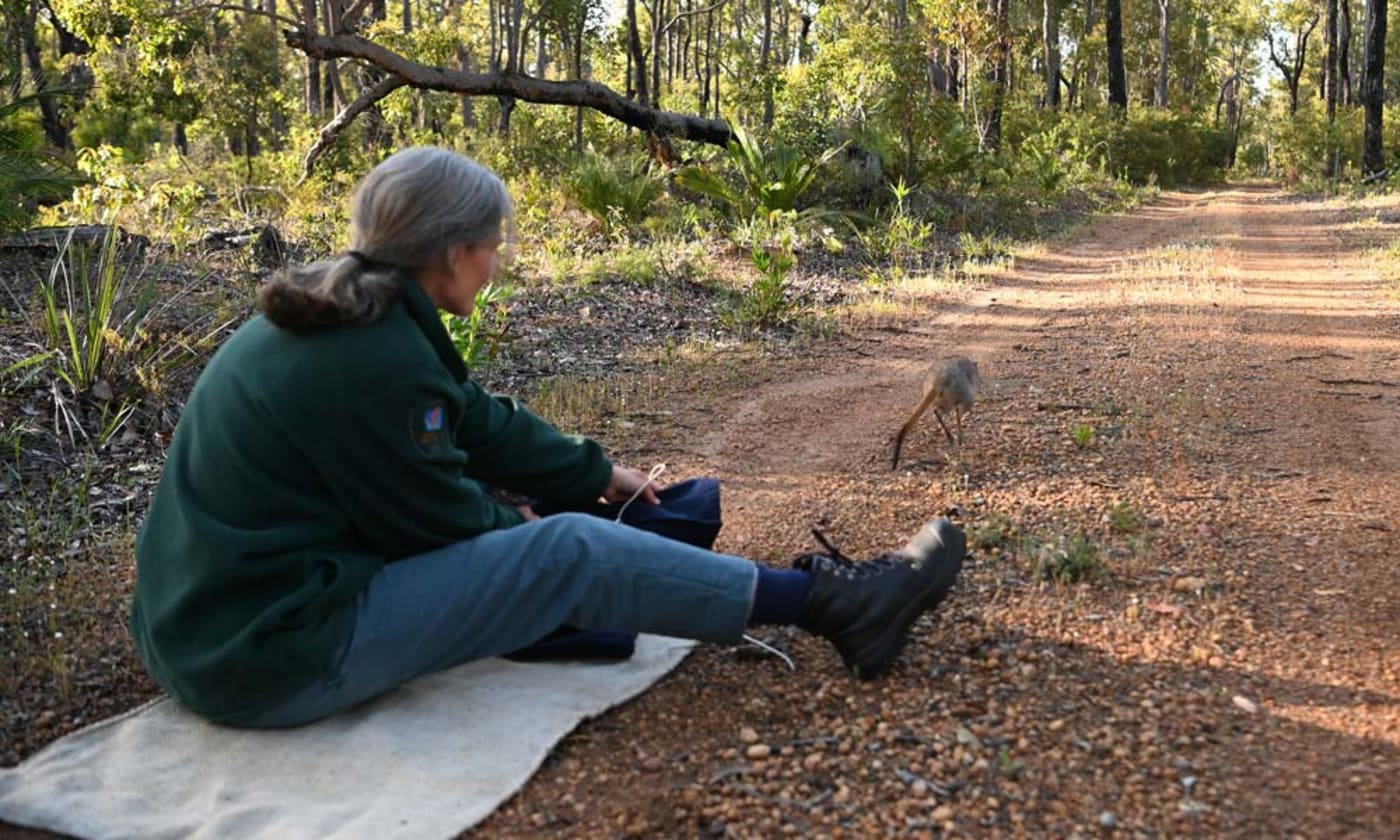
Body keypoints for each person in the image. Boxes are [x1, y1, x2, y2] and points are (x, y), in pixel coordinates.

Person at [129, 147, 965, 729]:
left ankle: (757, 581)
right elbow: (442, 519)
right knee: (565, 552)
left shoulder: (352, 308)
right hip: (268, 658)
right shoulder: (372, 357)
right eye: (493, 247)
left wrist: (602, 476)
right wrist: (526, 529)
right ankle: (832, 605)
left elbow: (473, 420)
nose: (497, 264)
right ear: (454, 252)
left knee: (561, 514)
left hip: (219, 626)